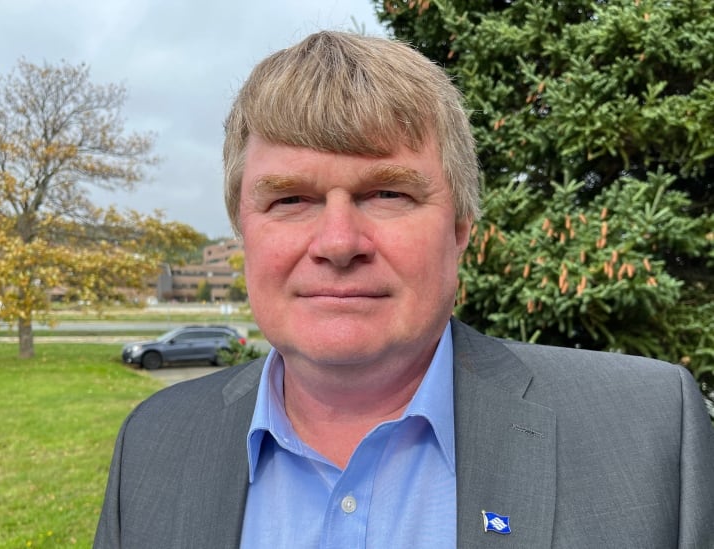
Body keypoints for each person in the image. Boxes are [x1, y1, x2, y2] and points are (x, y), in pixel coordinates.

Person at [94, 31, 714, 548]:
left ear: (461, 230)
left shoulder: (651, 434)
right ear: (244, 232)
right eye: (290, 199)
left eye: (387, 193)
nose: (339, 242)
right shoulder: (153, 444)